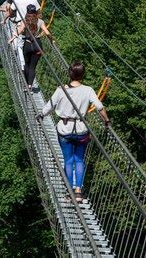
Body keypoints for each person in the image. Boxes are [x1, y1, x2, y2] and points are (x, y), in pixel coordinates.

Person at [38, 61, 110, 203]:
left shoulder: (61, 90)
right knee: (79, 160)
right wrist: (106, 121)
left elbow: (49, 106)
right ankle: (78, 192)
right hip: (82, 130)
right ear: (83, 75)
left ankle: (70, 191)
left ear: (69, 74)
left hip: (64, 130)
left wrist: (41, 114)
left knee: (68, 160)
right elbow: (100, 107)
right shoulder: (88, 90)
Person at [9, 4, 52, 91]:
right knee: (33, 67)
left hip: (27, 45)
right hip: (37, 46)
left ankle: (26, 85)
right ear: (36, 12)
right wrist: (51, 40)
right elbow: (47, 33)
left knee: (26, 65)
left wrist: (12, 38)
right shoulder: (40, 21)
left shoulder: (25, 21)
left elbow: (19, 30)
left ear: (27, 12)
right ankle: (30, 86)